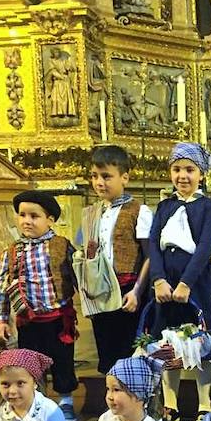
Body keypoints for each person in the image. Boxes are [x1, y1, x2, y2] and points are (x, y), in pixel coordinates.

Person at [148, 143, 211, 421]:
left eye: (189, 170)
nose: (183, 176)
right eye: (177, 169)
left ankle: (204, 404)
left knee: (199, 341)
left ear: (201, 174)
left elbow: (205, 247)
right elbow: (153, 243)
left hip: (196, 280)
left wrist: (187, 282)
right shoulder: (164, 206)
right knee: (168, 342)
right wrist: (159, 279)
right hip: (166, 281)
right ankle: (170, 403)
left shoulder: (207, 207)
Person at [0, 190, 79, 421]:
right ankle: (37, 400)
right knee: (31, 362)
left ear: (50, 219)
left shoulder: (62, 245)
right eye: (22, 215)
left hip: (58, 317)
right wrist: (1, 319)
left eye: (34, 216)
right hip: (28, 319)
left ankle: (66, 401)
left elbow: (78, 274)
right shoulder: (11, 252)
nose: (27, 221)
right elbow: (2, 286)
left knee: (63, 360)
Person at [77, 145, 152, 374]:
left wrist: (137, 291)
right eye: (95, 176)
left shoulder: (139, 211)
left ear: (125, 177)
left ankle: (136, 403)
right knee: (106, 350)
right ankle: (112, 401)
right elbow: (85, 251)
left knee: (129, 351)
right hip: (100, 290)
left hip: (127, 289)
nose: (100, 182)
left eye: (107, 176)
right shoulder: (91, 212)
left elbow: (149, 256)